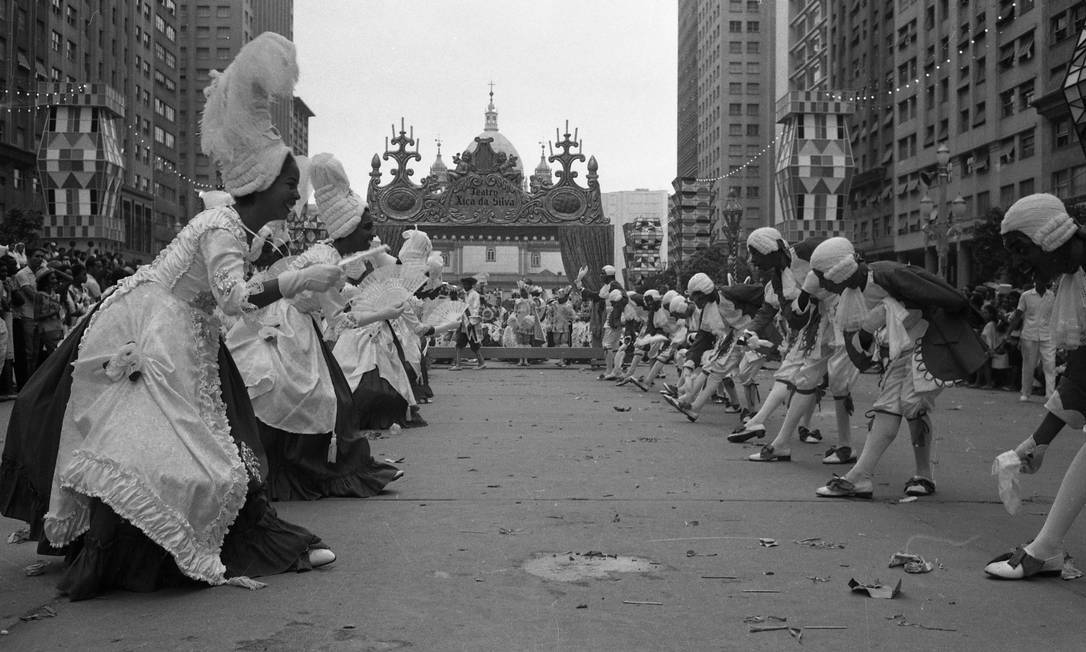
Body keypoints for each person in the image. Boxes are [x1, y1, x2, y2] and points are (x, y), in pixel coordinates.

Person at [0, 32, 339, 600]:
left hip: (186, 331)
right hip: (153, 329)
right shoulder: (224, 228)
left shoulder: (243, 230)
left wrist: (292, 279)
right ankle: (119, 552)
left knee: (211, 443)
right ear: (260, 183)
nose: (293, 200)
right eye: (288, 186)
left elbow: (233, 293)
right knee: (148, 443)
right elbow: (233, 296)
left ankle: (197, 539)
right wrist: (296, 280)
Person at [807, 237, 982, 500]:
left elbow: (950, 299)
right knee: (888, 405)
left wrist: (911, 315)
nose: (822, 284)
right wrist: (871, 328)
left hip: (927, 343)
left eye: (823, 277)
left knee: (912, 405)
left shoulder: (889, 274)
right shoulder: (851, 294)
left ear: (837, 272)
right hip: (901, 351)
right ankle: (861, 477)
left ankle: (921, 475)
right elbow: (858, 340)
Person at [985, 193, 1086, 579]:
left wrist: (1039, 440)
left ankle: (1045, 550)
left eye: (1020, 248)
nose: (1018, 261)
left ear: (1050, 235)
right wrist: (1037, 441)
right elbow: (1082, 369)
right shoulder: (1075, 279)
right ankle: (1045, 549)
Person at [1011, 280, 1056, 402]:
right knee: (1028, 366)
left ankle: (1050, 395)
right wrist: (1009, 332)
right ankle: (1025, 392)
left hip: (1048, 335)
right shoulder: (1026, 295)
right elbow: (1018, 314)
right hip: (1029, 335)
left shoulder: (1052, 296)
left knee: (1050, 364)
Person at [451, 276, 486, 370]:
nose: (464, 286)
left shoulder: (475, 294)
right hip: (464, 323)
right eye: (463, 284)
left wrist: (472, 322)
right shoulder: (464, 294)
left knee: (474, 345)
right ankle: (458, 364)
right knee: (459, 344)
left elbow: (476, 308)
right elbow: (461, 306)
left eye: (466, 284)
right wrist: (455, 298)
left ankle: (481, 362)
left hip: (471, 324)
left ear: (470, 285)